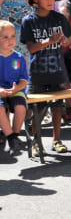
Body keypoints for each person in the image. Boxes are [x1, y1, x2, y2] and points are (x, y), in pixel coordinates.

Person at [21, 0, 71, 157]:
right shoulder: (28, 21)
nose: (49, 0)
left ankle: (57, 140)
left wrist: (66, 39)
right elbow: (31, 48)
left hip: (58, 71)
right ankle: (36, 142)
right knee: (37, 110)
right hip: (38, 73)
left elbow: (69, 40)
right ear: (35, 0)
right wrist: (49, 41)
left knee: (57, 107)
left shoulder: (59, 18)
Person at [0, 20, 28, 156]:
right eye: (5, 37)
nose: (10, 40)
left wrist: (17, 89)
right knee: (0, 109)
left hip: (16, 91)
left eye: (12, 36)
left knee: (20, 107)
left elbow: (24, 80)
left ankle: (15, 135)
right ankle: (10, 138)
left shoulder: (19, 57)